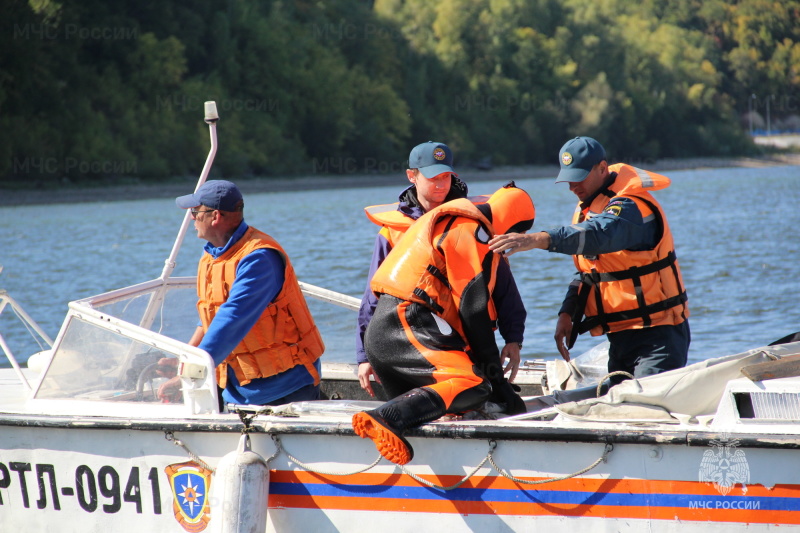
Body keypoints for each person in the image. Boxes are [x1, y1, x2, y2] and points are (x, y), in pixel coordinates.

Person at [352, 183, 535, 465]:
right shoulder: (471, 230)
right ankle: (386, 419)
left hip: (388, 336)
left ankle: (397, 418)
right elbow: (474, 313)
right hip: (405, 326)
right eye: (517, 233)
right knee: (474, 385)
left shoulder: (453, 221)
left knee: (460, 398)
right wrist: (497, 384)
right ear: (512, 222)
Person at [489, 136, 690, 389]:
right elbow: (590, 272)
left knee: (645, 410)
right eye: (568, 178)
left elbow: (599, 235)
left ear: (603, 168)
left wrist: (536, 239)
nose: (573, 186)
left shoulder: (632, 208)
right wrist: (567, 313)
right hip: (620, 338)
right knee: (619, 409)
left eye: (580, 176)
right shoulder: (592, 207)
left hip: (658, 337)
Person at [356, 141, 526, 397]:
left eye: (446, 176)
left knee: (476, 400)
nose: (441, 184)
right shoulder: (391, 232)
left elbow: (502, 283)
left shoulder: (473, 221)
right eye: (433, 177)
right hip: (419, 346)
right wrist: (363, 356)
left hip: (470, 341)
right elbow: (374, 296)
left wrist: (513, 338)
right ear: (411, 176)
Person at [156, 180, 325, 407]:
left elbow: (232, 319)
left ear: (215, 216)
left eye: (195, 212)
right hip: (237, 389)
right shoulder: (212, 256)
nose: (191, 218)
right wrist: (184, 359)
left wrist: (189, 374)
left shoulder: (259, 258)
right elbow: (210, 318)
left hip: (284, 389)